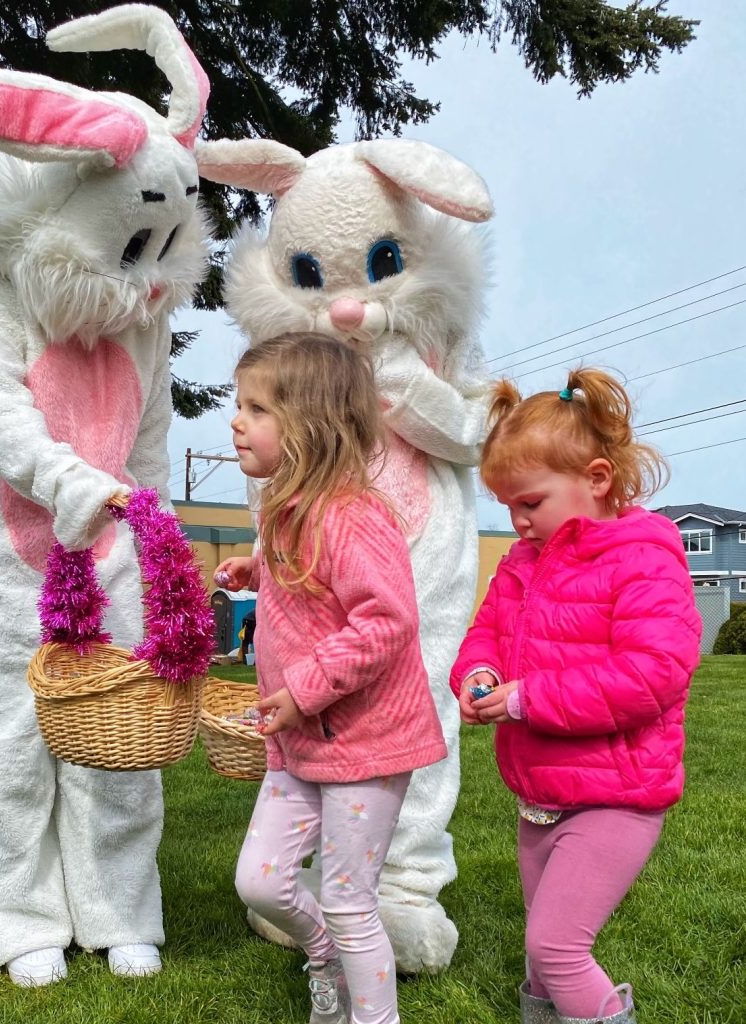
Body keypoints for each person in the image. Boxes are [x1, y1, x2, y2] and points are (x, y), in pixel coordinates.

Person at [450, 368, 701, 1024]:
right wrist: (477, 677)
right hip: (542, 795)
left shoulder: (642, 560)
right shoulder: (522, 565)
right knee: (541, 960)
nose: (518, 521)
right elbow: (487, 638)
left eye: (530, 502)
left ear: (595, 479)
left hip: (617, 797)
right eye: (507, 506)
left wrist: (527, 698)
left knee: (557, 945)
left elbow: (653, 675)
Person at [215, 334, 447, 1024]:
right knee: (259, 882)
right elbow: (312, 584)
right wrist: (255, 572)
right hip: (303, 741)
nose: (236, 420)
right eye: (239, 404)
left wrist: (305, 687)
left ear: (310, 426)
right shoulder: (286, 510)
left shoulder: (353, 514)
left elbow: (387, 620)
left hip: (364, 746)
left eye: (257, 408)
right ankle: (323, 955)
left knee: (350, 901)